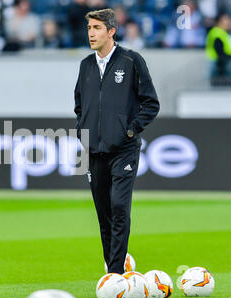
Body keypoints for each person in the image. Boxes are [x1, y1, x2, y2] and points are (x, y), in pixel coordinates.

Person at [73, 8, 159, 275]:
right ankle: (113, 270)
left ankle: (115, 275)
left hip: (123, 150)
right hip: (94, 151)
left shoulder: (132, 61)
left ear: (111, 31)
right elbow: (80, 106)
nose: (91, 33)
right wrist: (82, 131)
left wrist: (130, 132)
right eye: (89, 28)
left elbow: (151, 103)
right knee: (104, 216)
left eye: (97, 28)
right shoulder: (86, 65)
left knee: (119, 207)